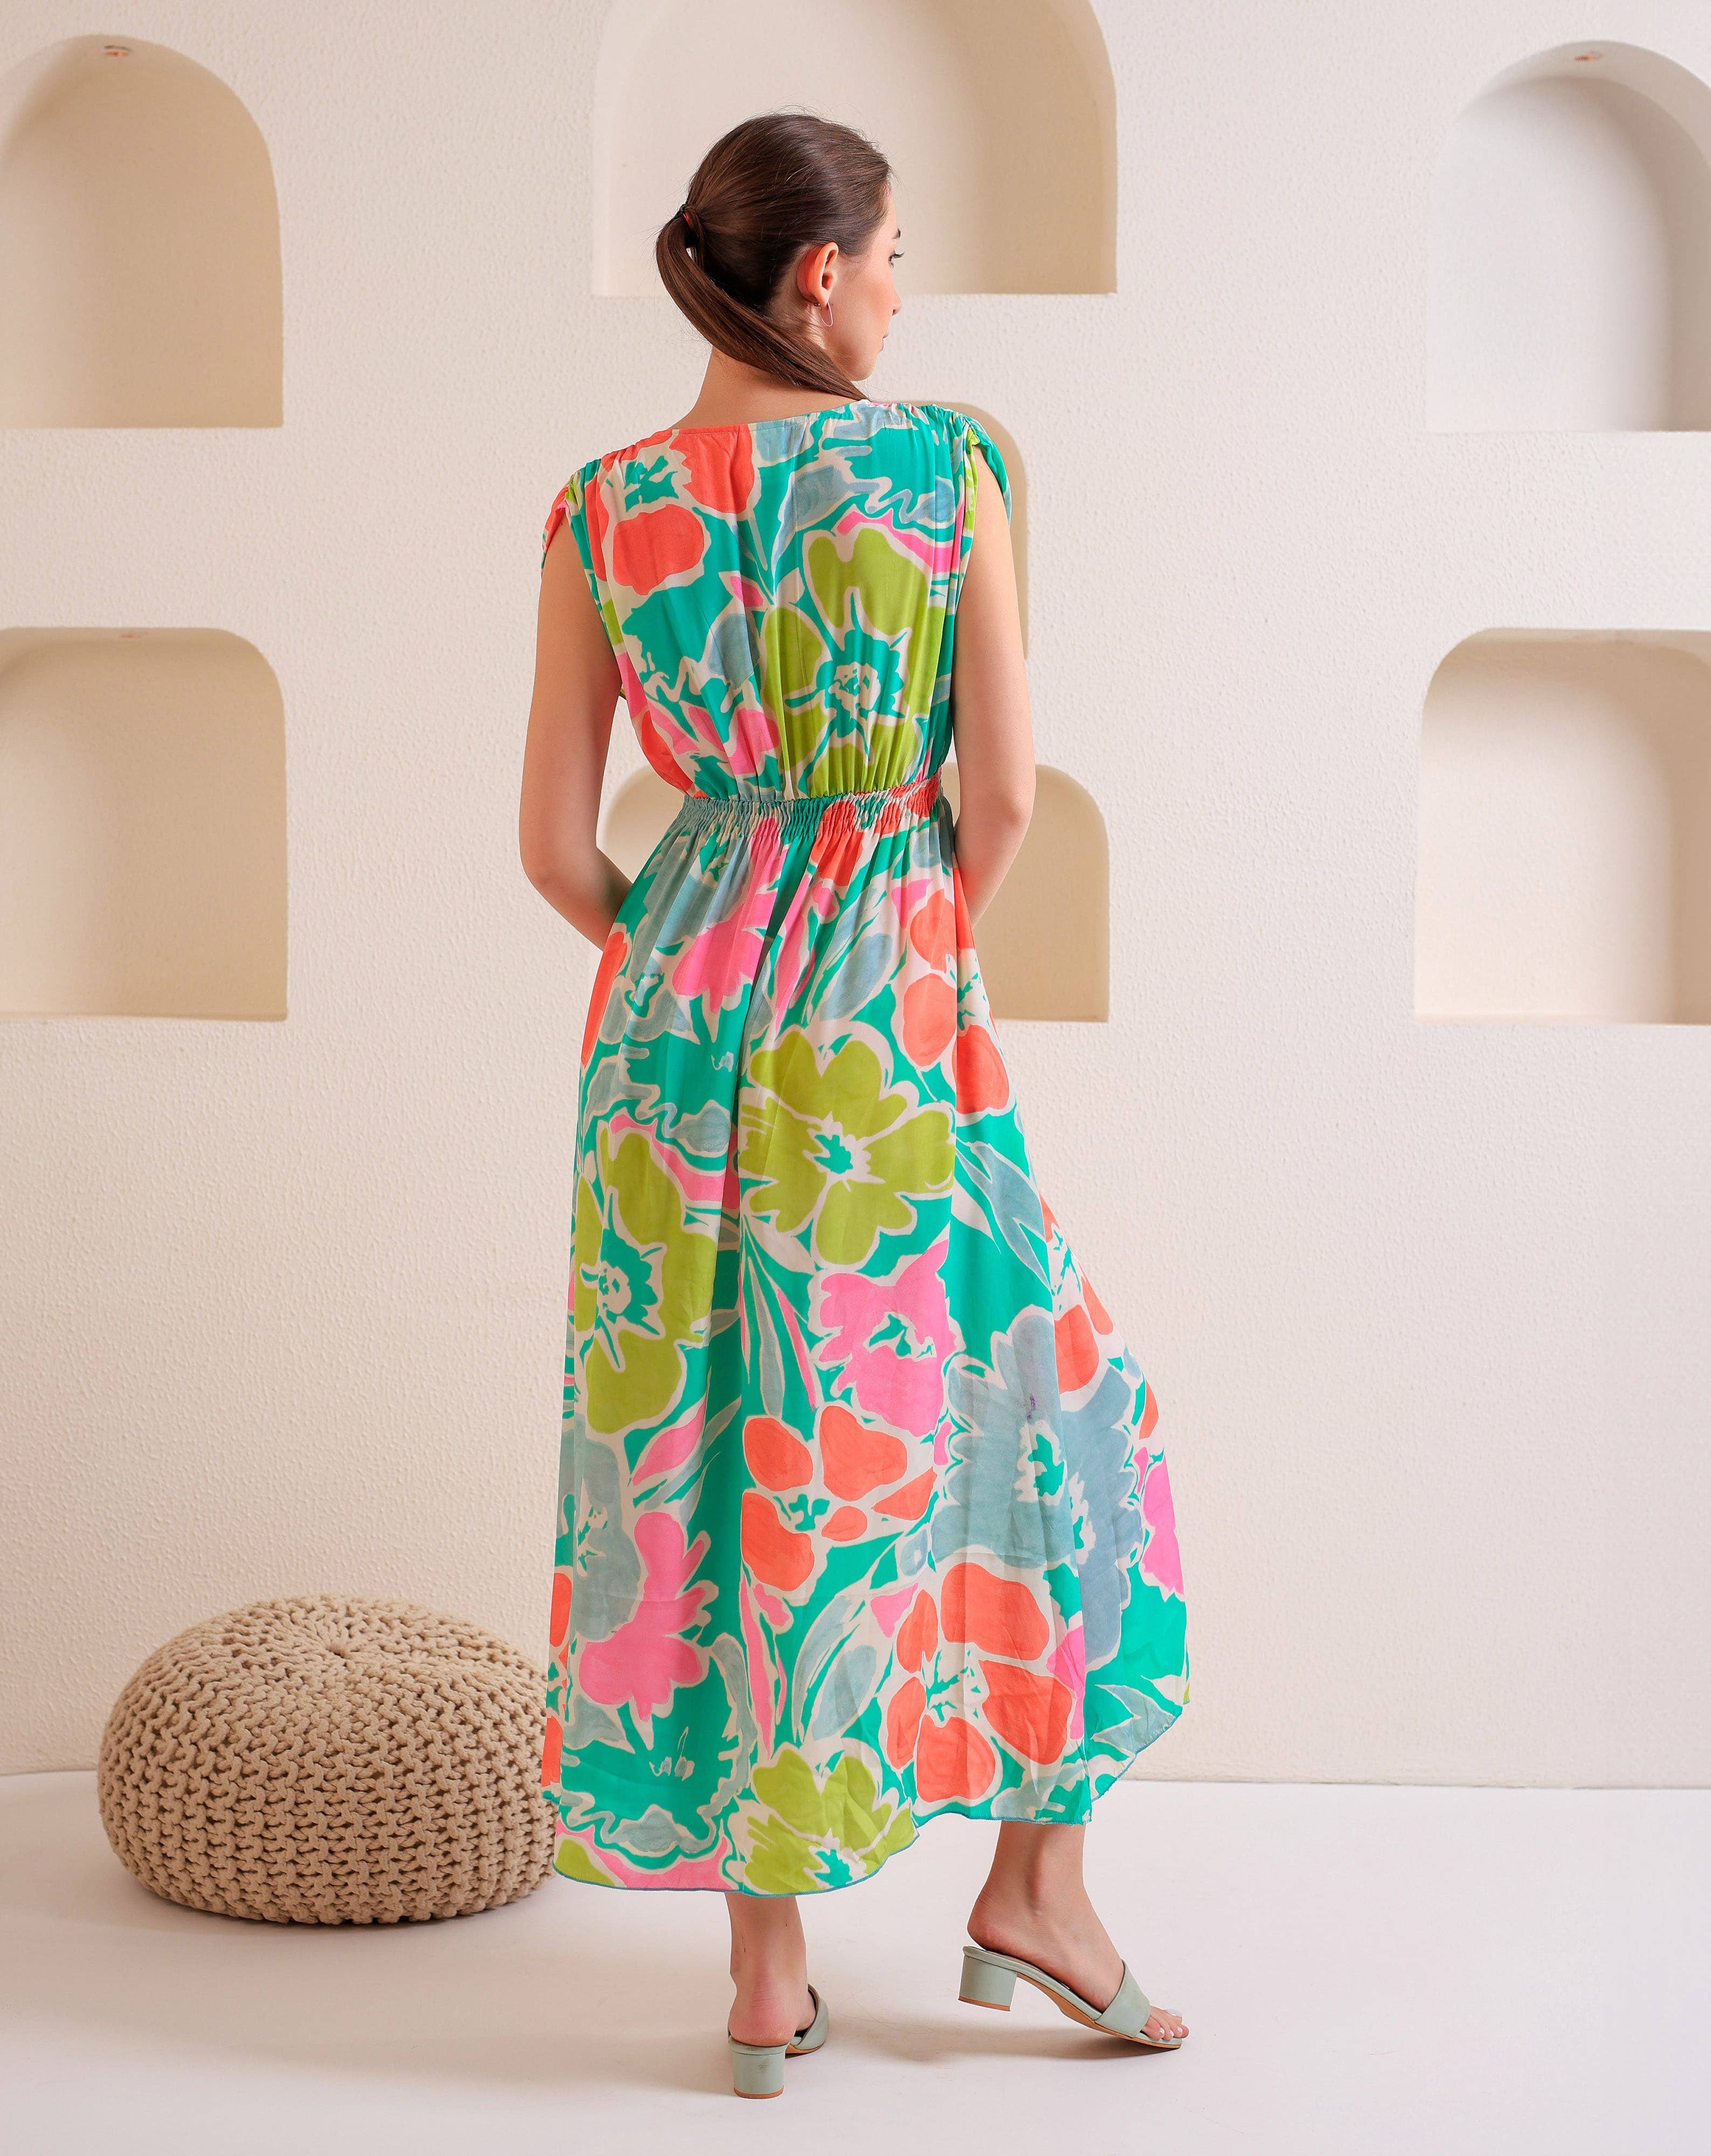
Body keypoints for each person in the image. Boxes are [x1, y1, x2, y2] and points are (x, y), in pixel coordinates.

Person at [519, 110, 1190, 2098]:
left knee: (727, 1449)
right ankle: (1037, 1890)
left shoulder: (599, 506)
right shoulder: (941, 465)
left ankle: (764, 1975)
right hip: (881, 1010)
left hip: (666, 1027)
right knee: (1059, 1413)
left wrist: (694, 964)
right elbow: (1004, 794)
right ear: (819, 274)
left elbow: (553, 848)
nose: (904, 295)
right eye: (894, 257)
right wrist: (899, 945)